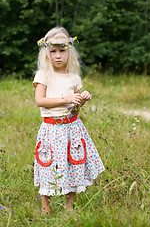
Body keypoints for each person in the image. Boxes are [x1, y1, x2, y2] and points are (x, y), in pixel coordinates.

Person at [33, 26, 105, 214]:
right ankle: (45, 206)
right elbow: (40, 101)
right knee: (47, 164)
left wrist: (82, 99)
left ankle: (69, 207)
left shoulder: (73, 77)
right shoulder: (44, 75)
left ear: (69, 52)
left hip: (72, 127)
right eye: (53, 51)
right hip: (52, 128)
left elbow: (75, 106)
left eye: (62, 50)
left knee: (74, 163)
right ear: (47, 54)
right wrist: (66, 99)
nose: (58, 55)